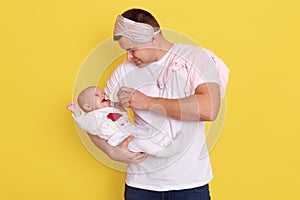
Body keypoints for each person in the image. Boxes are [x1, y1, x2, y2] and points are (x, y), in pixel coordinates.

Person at [88, 8, 230, 200]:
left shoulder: (196, 58)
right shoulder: (123, 72)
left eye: (132, 49)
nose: (128, 57)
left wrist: (146, 102)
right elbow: (97, 119)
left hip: (190, 183)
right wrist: (111, 151)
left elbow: (209, 109)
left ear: (152, 39)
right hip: (140, 185)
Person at [67, 86, 187, 157]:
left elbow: (121, 110)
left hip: (131, 130)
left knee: (149, 131)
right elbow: (84, 124)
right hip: (120, 139)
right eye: (97, 95)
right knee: (141, 141)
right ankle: (163, 152)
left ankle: (169, 141)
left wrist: (117, 102)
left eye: (102, 93)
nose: (103, 95)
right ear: (88, 107)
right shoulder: (93, 117)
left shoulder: (112, 107)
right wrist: (77, 112)